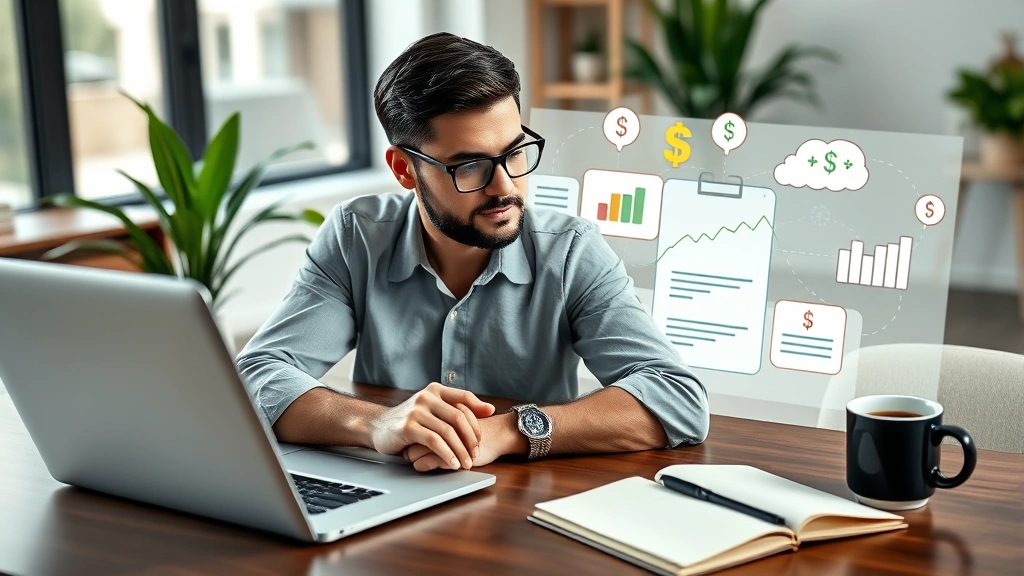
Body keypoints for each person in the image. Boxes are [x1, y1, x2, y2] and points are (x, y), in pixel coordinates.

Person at [235, 32, 709, 473]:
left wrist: (506, 431)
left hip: (530, 507)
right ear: (404, 169)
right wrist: (375, 425)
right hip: (390, 502)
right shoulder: (356, 236)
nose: (505, 187)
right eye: (471, 166)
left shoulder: (571, 251)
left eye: (515, 153)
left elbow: (676, 397)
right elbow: (257, 374)